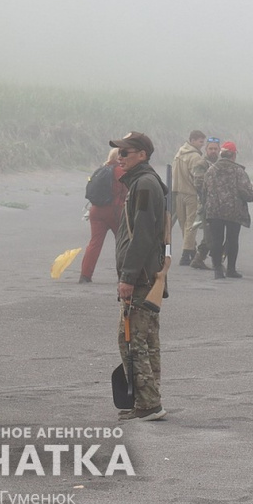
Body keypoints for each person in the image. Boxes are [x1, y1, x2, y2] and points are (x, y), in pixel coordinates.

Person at [111, 131, 168, 421]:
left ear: (142, 155)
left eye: (125, 153)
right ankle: (149, 400)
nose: (119, 158)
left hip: (142, 277)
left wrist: (128, 277)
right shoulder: (143, 183)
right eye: (119, 153)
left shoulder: (144, 185)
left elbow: (143, 235)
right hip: (147, 275)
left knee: (132, 340)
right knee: (146, 340)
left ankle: (148, 404)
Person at [203, 141, 253, 280]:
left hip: (214, 210)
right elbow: (246, 193)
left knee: (216, 240)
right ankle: (231, 269)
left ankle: (217, 270)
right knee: (232, 240)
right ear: (233, 155)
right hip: (234, 211)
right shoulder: (239, 171)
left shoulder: (211, 170)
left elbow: (204, 189)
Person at [79, 148, 127, 282]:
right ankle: (123, 276)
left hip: (96, 210)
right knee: (123, 242)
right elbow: (126, 192)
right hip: (115, 211)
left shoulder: (100, 170)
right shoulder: (121, 171)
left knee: (94, 243)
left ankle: (85, 275)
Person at [171, 130, 206, 266]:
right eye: (200, 141)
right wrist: (202, 193)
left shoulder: (179, 153)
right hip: (191, 193)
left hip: (178, 192)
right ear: (192, 140)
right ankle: (186, 255)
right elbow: (198, 177)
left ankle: (191, 252)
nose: (202, 145)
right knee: (191, 225)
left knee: (183, 224)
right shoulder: (195, 157)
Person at [189, 136, 221, 270]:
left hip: (219, 205)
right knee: (210, 234)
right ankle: (210, 261)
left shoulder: (220, 164)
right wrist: (208, 200)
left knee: (213, 233)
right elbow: (199, 184)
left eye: (215, 149)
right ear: (206, 149)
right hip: (206, 204)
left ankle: (200, 258)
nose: (213, 151)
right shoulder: (201, 164)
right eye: (210, 149)